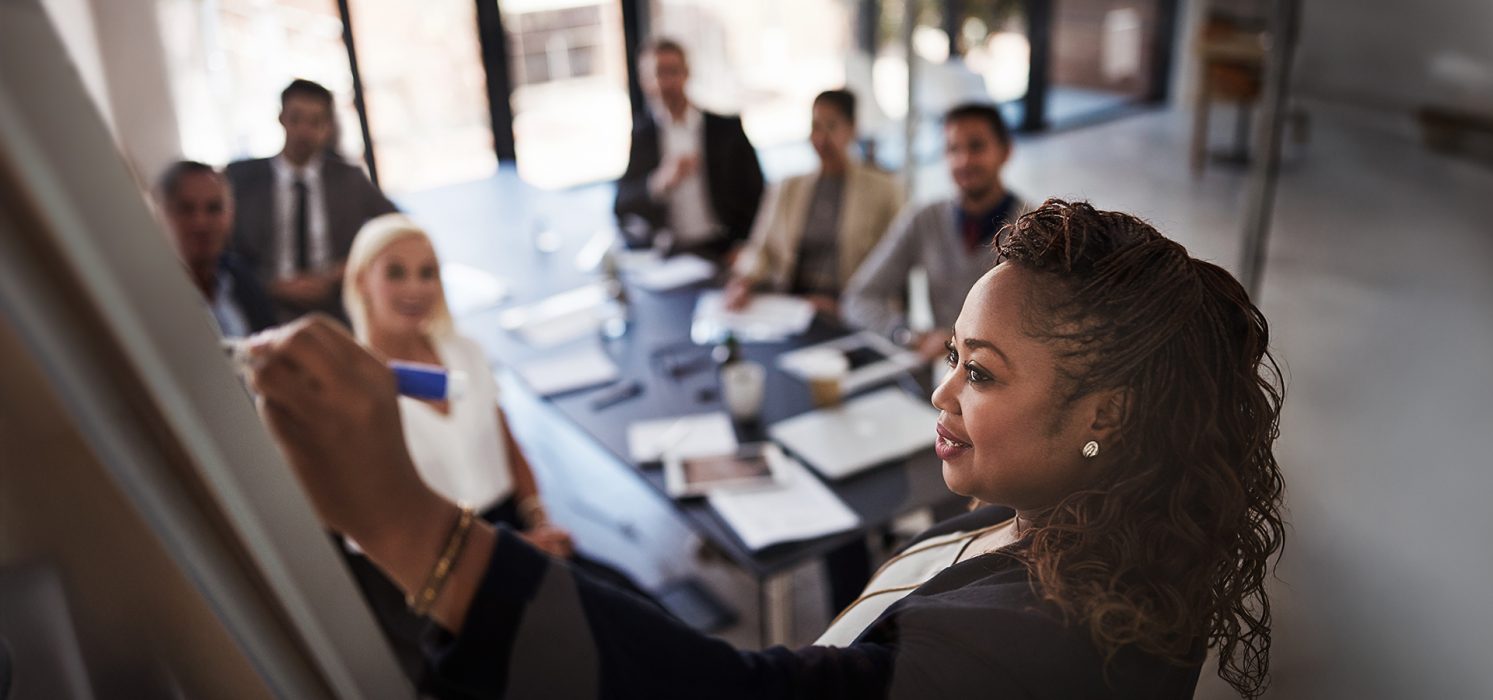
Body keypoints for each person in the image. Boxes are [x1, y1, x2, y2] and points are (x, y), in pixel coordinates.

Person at [250, 200, 1287, 699]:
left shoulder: (1042, 656)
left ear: (1101, 412)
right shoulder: (1085, 529)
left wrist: (401, 520)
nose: (940, 388)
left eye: (980, 369)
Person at [335, 213, 652, 691]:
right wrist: (506, 553)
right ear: (362, 281)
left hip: (510, 527)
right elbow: (383, 539)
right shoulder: (353, 393)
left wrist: (539, 520)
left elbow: (509, 447)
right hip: (431, 573)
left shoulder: (464, 352)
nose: (415, 287)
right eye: (396, 271)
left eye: (428, 271)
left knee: (637, 617)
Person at [842, 103, 1027, 361]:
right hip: (941, 374)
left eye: (976, 147)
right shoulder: (925, 218)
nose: (963, 161)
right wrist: (906, 335)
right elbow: (860, 297)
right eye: (953, 149)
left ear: (1005, 151)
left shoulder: (1034, 229)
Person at [226, 79, 398, 323]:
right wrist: (272, 286)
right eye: (296, 119)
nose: (304, 131)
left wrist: (342, 271)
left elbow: (395, 228)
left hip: (337, 307)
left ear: (328, 126)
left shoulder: (349, 179)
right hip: (266, 309)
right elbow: (226, 253)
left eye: (314, 122)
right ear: (281, 118)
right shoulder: (242, 180)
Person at [725, 89, 904, 317]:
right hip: (791, 305)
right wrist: (743, 281)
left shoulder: (883, 189)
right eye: (815, 127)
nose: (821, 138)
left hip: (848, 309)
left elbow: (892, 268)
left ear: (852, 129)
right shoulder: (788, 187)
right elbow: (760, 248)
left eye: (831, 126)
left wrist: (844, 307)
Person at [614, 38, 765, 262]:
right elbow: (622, 203)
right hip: (673, 254)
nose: (665, 83)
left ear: (686, 73)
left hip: (724, 248)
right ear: (644, 81)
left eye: (672, 72)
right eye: (657, 74)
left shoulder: (726, 129)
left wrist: (744, 245)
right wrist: (658, 182)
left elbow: (758, 195)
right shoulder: (643, 135)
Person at [154, 160, 276, 336]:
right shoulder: (149, 295)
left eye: (214, 209)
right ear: (161, 214)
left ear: (230, 215)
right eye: (186, 209)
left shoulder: (243, 279)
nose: (201, 223)